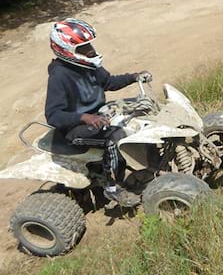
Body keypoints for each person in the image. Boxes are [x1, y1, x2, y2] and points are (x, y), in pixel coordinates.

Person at [45, 18, 152, 207]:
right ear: (66, 50)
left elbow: (109, 82)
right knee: (114, 138)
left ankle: (148, 162)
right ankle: (113, 188)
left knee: (140, 113)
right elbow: (53, 115)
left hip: (98, 116)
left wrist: (134, 77)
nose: (91, 50)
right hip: (74, 129)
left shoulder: (89, 65)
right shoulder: (59, 76)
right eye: (83, 48)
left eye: (89, 45)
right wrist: (84, 117)